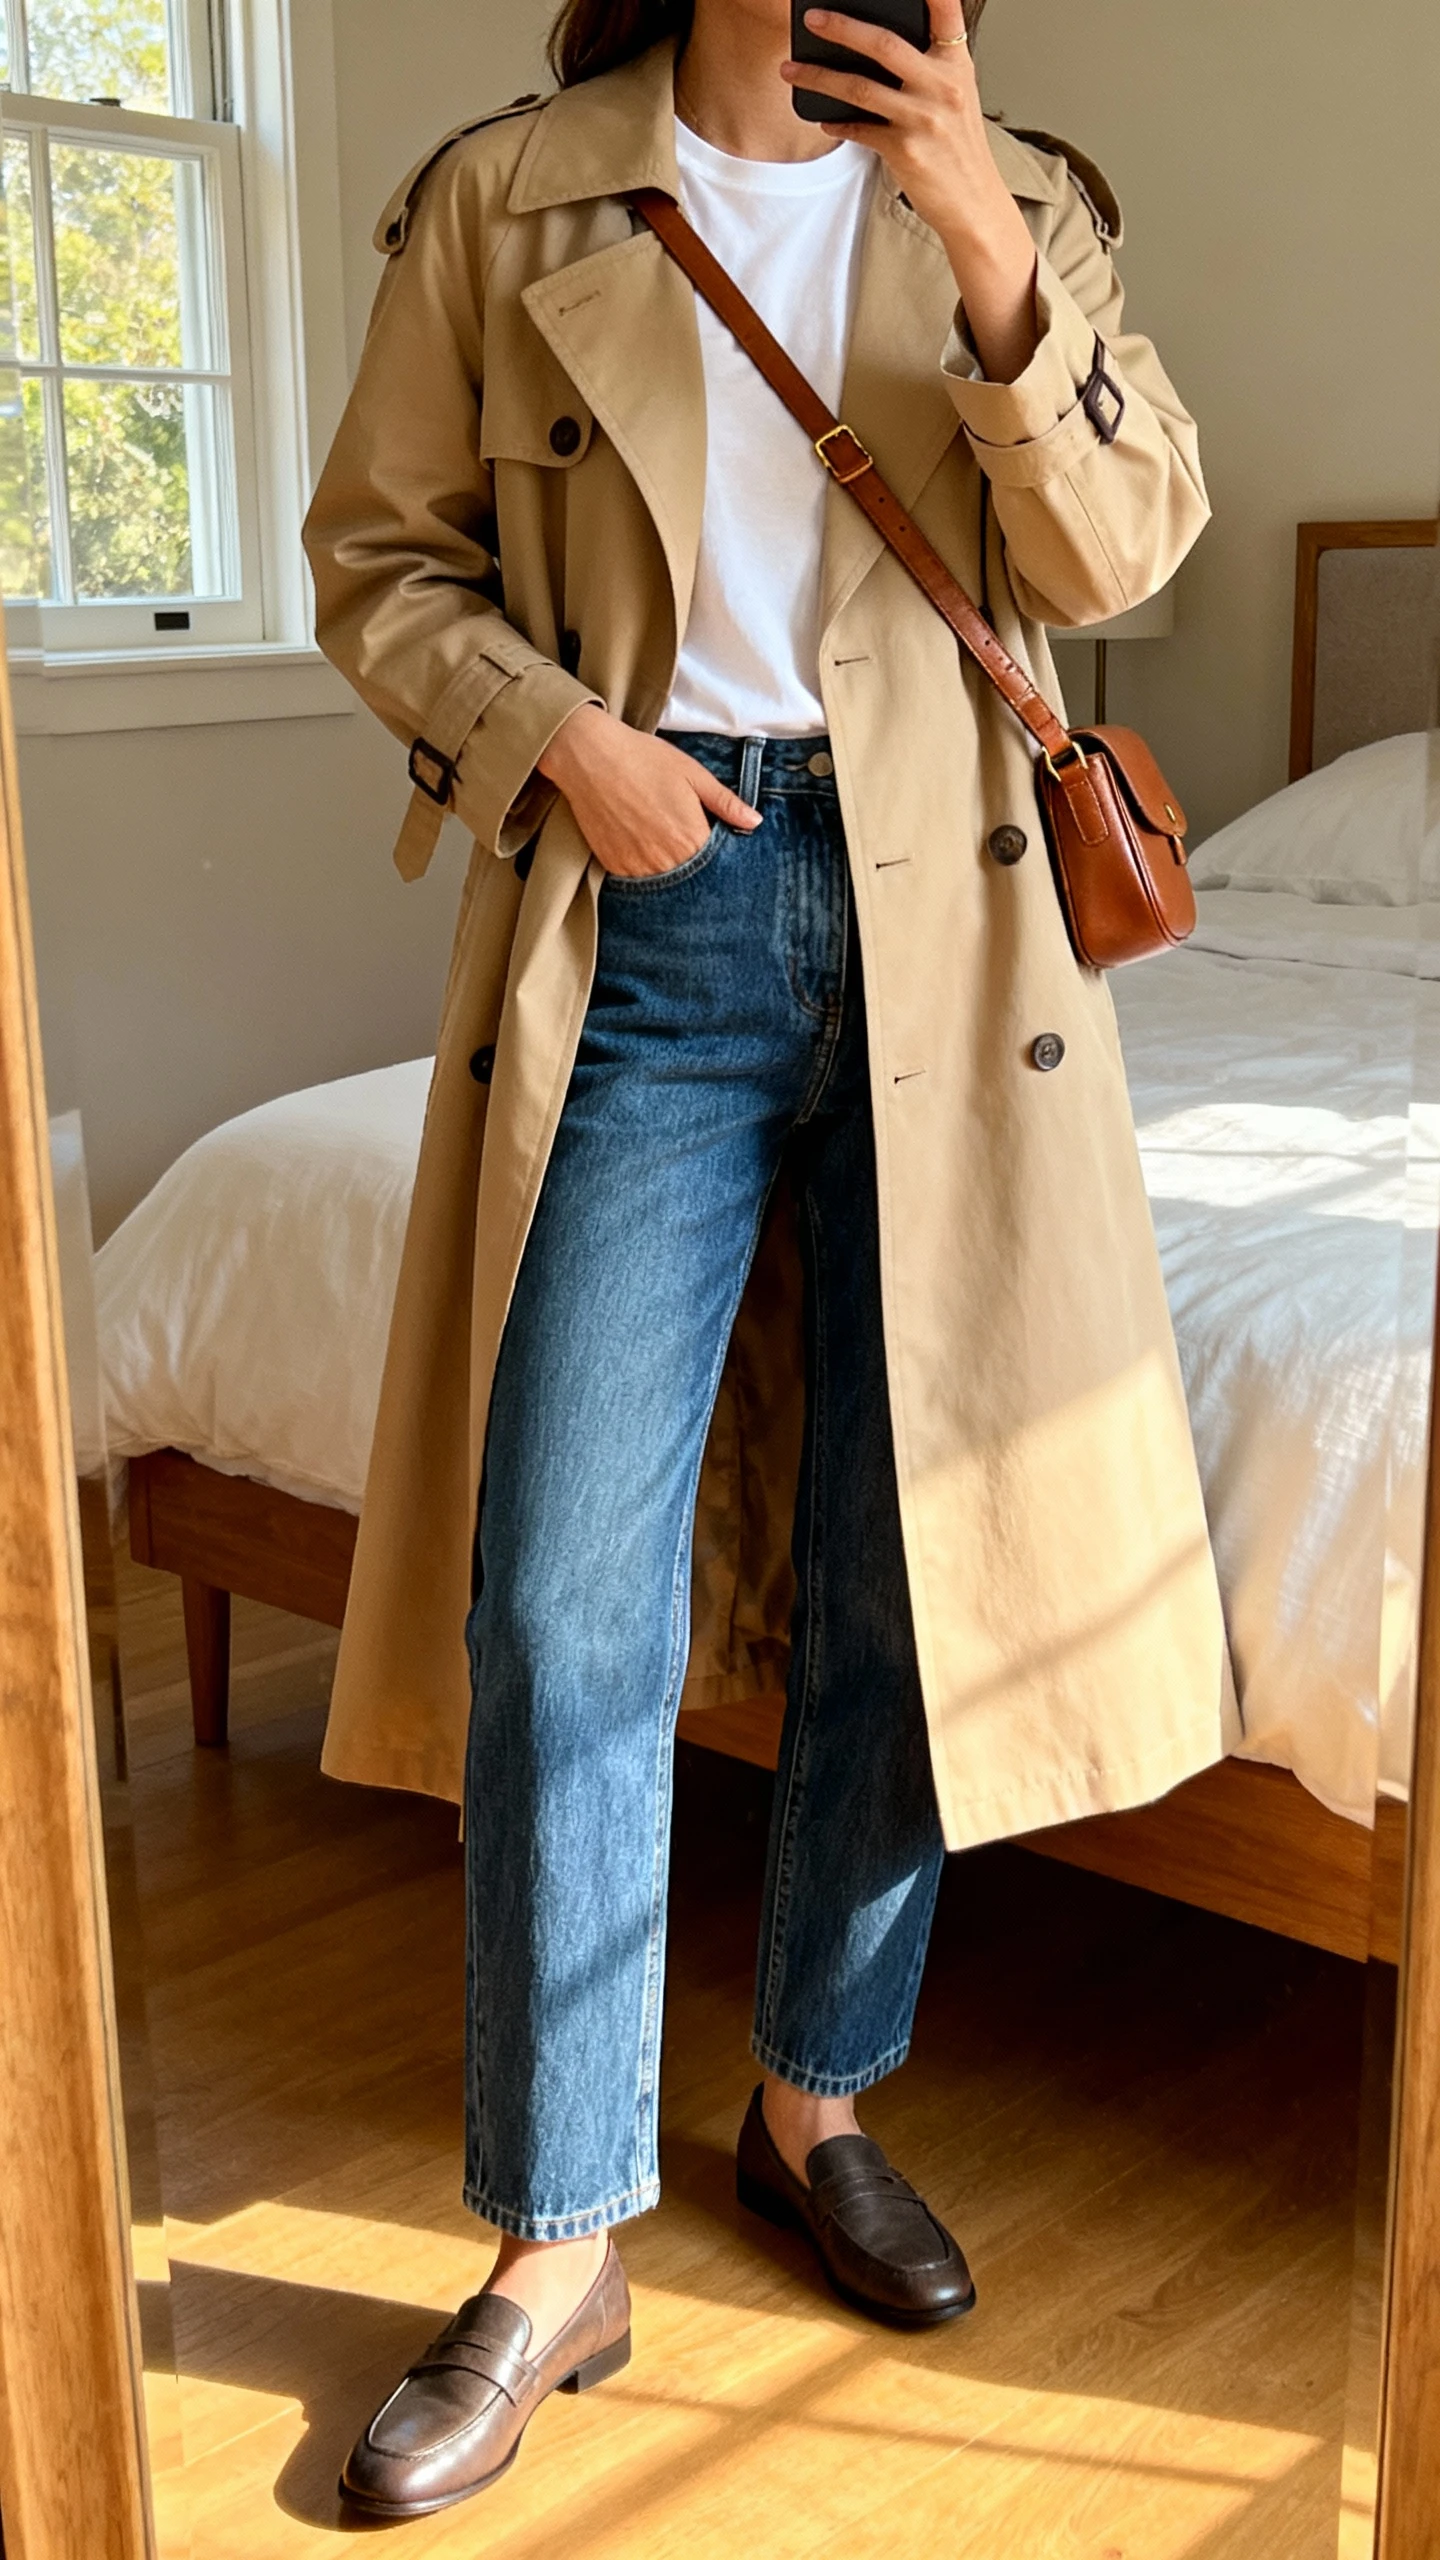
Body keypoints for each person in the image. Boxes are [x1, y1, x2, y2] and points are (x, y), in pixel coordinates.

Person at [304, 0, 1229, 2519]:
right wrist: (552, 738)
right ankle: (548, 2239)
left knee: (903, 1568)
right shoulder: (512, 192)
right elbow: (373, 562)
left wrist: (987, 264)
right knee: (556, 1591)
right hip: (653, 913)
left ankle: (811, 2097)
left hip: (961, 937)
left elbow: (1126, 552)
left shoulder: (1017, 191)